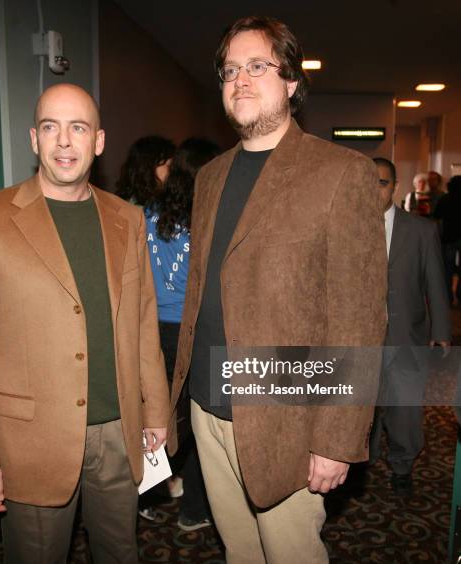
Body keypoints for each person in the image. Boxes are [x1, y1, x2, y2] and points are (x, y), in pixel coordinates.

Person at [167, 16, 387, 563]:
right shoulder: (210, 176)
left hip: (286, 415)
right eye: (229, 70)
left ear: (291, 81)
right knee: (239, 552)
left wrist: (336, 439)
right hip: (207, 409)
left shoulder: (341, 172)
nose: (240, 79)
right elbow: (200, 291)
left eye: (257, 66)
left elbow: (358, 319)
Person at [0, 83, 169, 564]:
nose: (64, 141)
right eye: (51, 127)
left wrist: (156, 411)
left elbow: (144, 324)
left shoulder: (127, 218)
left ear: (99, 141)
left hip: (118, 434)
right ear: (33, 138)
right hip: (30, 441)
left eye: (78, 128)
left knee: (120, 553)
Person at [142, 138, 220, 531]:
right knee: (198, 419)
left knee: (158, 416)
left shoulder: (146, 215)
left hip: (151, 331)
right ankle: (192, 509)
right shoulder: (209, 217)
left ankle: (144, 494)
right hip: (192, 331)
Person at [369, 158, 451, 495]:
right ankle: (364, 461)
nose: (375, 190)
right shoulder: (346, 228)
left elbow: (435, 282)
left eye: (382, 183)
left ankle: (402, 466)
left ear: (395, 186)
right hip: (362, 340)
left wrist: (442, 331)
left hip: (408, 335)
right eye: (368, 183)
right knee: (364, 406)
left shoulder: (421, 230)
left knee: (405, 406)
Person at [115, 136, 175, 206]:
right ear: (150, 167)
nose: (174, 171)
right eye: (169, 166)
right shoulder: (128, 208)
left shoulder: (166, 201)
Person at [434, 176, 461, 305]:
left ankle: (448, 297)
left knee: (447, 269)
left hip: (448, 237)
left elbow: (436, 216)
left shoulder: (445, 199)